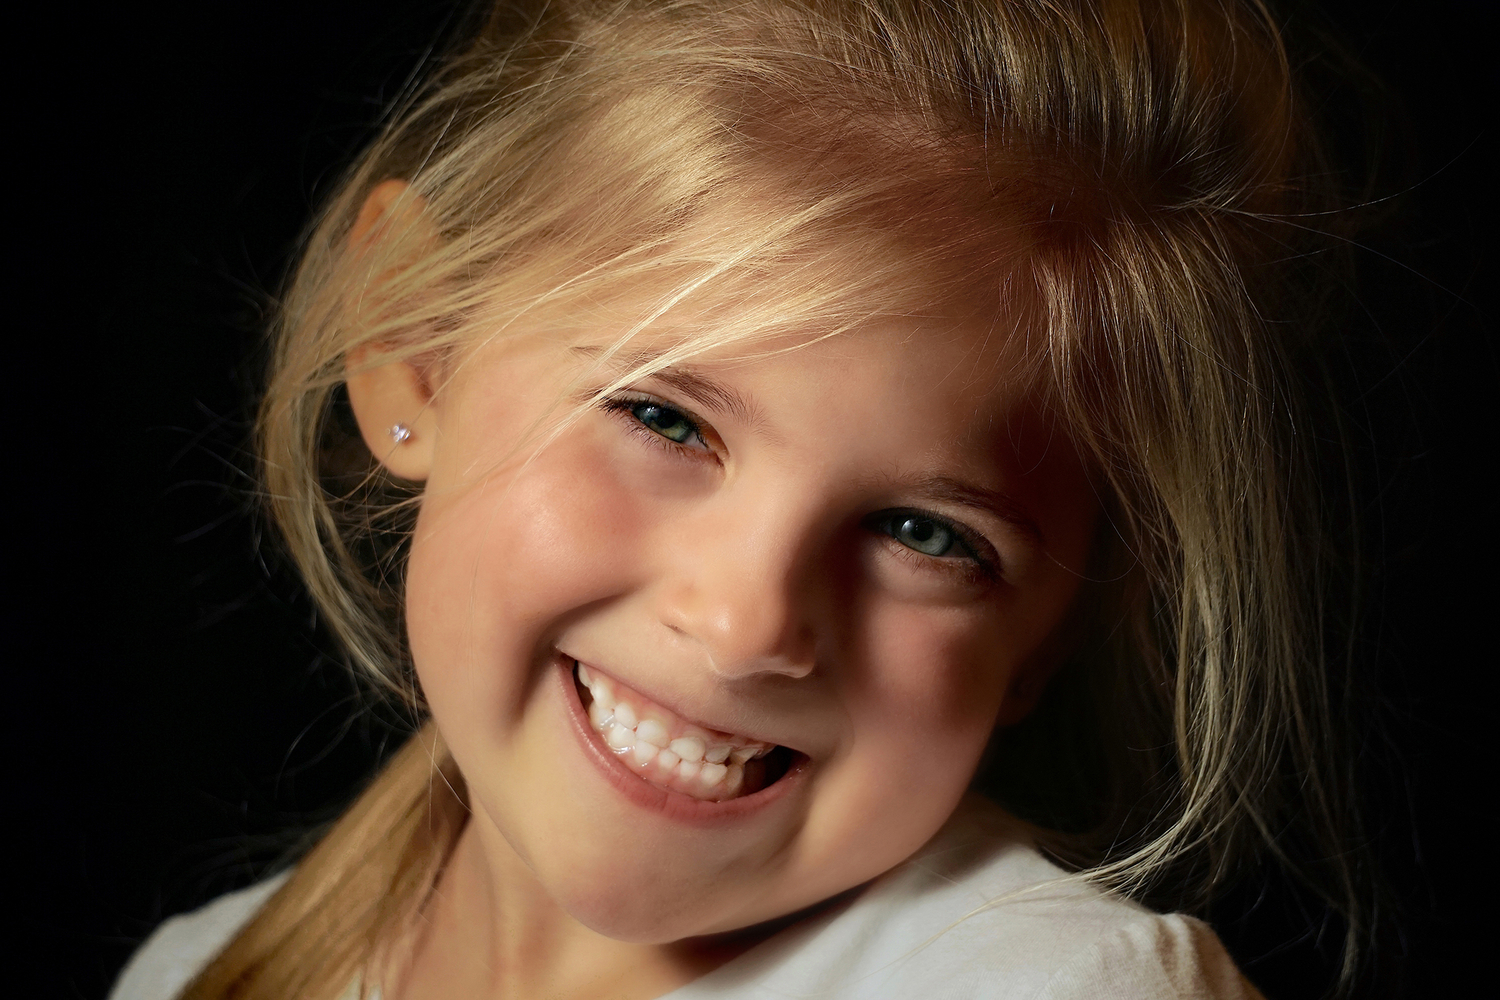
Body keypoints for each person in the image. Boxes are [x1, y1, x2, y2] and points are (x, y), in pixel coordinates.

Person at [110, 1, 1376, 997]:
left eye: (925, 533)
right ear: (415, 343)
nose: (745, 622)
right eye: (664, 418)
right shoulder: (191, 972)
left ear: (1052, 628)